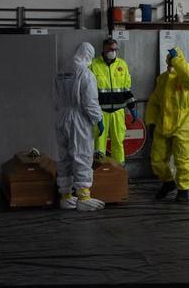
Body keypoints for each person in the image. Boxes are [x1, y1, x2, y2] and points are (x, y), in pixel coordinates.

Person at [53, 42, 105, 212]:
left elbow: (54, 98)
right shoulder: (85, 74)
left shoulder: (61, 73)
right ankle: (83, 196)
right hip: (79, 119)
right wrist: (98, 119)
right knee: (82, 154)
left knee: (64, 156)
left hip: (61, 117)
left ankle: (66, 196)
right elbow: (89, 102)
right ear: (88, 55)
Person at [147, 46, 189, 202]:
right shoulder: (162, 79)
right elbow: (154, 101)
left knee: (182, 159)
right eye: (169, 61)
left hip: (183, 123)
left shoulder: (188, 77)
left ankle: (183, 190)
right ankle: (168, 182)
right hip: (163, 123)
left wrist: (177, 60)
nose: (171, 64)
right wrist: (151, 121)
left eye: (174, 61)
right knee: (157, 159)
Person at [90, 37, 138, 164]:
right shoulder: (94, 65)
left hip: (118, 111)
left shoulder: (122, 64)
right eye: (111, 49)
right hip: (101, 112)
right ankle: (99, 173)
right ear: (104, 49)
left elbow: (126, 88)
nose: (113, 52)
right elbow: (89, 92)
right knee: (99, 144)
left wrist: (132, 107)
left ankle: (119, 173)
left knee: (118, 142)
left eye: (115, 49)